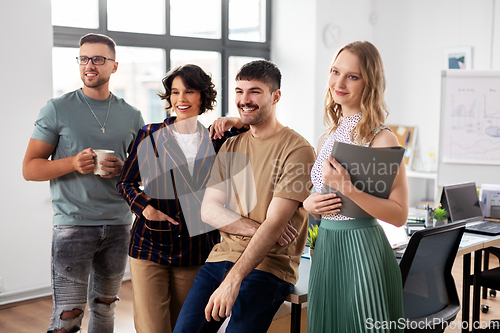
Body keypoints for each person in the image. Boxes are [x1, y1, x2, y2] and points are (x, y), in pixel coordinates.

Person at [173, 60, 316, 333]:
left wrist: (233, 279)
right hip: (220, 258)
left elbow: (277, 223)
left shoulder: (298, 150)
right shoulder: (231, 145)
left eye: (254, 92)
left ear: (276, 96)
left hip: (269, 267)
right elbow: (209, 211)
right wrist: (261, 228)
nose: (244, 100)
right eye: (239, 91)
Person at [22, 33, 145, 333]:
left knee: (105, 308)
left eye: (99, 59)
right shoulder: (57, 109)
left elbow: (146, 172)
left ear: (114, 66)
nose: (90, 65)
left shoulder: (131, 115)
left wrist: (124, 169)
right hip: (72, 227)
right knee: (68, 316)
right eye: (84, 58)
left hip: (118, 225)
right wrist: (72, 163)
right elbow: (30, 168)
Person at [117, 64, 249, 333]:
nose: (181, 99)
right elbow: (125, 182)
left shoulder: (217, 138)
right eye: (175, 92)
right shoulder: (150, 135)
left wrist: (234, 121)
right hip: (149, 246)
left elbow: (254, 130)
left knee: (184, 327)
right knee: (152, 328)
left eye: (189, 91)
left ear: (203, 96)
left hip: (196, 247)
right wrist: (146, 210)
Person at [304, 41, 408, 332]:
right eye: (335, 72)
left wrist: (350, 189)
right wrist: (308, 205)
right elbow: (318, 196)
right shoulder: (327, 138)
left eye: (352, 76)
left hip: (362, 251)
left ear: (370, 83)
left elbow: (399, 215)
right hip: (326, 248)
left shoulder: (382, 138)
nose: (339, 82)